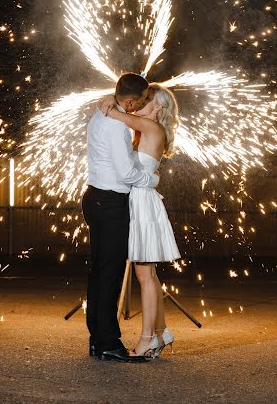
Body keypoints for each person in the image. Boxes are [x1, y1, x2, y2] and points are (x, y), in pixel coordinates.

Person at [98, 83, 180, 358]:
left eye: (146, 101)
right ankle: (161, 332)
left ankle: (146, 340)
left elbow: (116, 112)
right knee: (149, 275)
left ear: (157, 107)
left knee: (144, 275)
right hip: (142, 199)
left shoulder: (151, 128)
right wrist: (111, 98)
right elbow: (120, 108)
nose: (139, 104)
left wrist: (111, 100)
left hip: (143, 202)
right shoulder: (147, 129)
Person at [82, 72, 159, 363]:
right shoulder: (115, 126)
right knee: (110, 274)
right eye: (138, 102)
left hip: (96, 197)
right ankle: (108, 343)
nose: (139, 107)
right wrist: (150, 180)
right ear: (128, 100)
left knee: (99, 272)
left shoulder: (102, 114)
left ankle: (97, 340)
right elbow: (126, 173)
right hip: (109, 203)